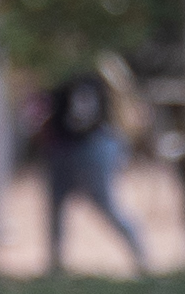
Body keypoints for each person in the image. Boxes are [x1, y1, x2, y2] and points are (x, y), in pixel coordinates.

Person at [27, 66, 155, 275]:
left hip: (89, 145)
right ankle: (55, 266)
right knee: (56, 205)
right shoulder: (60, 73)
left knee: (104, 203)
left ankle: (142, 257)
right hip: (63, 147)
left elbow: (81, 116)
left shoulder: (86, 74)